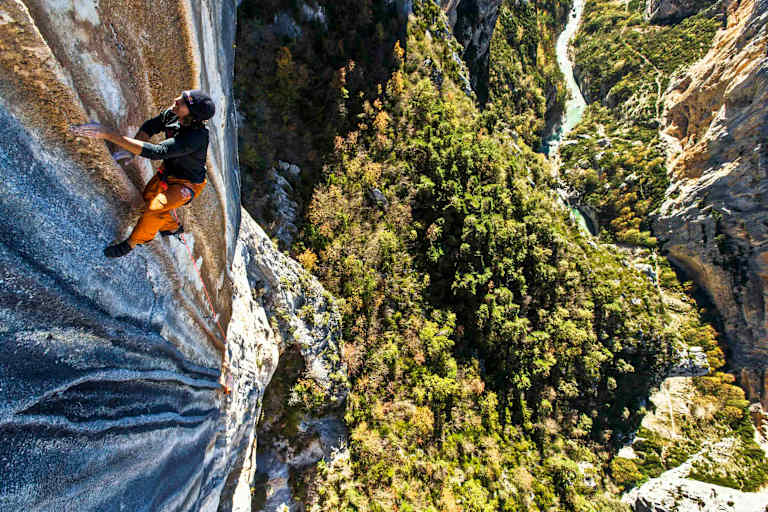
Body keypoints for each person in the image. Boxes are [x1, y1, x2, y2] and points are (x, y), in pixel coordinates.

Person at [71, 90, 216, 258]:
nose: (176, 100)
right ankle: (171, 227)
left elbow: (157, 151)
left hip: (187, 184)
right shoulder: (173, 115)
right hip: (167, 174)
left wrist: (108, 134)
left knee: (154, 207)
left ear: (192, 115)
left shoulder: (196, 137)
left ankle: (133, 243)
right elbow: (151, 126)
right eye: (181, 97)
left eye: (182, 102)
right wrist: (131, 150)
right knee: (148, 199)